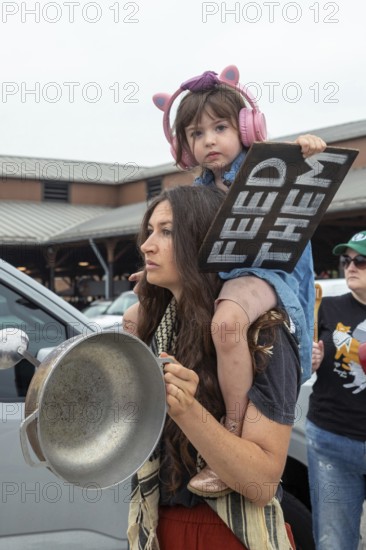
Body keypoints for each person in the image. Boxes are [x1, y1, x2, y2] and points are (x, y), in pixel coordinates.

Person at [128, 64, 326, 496]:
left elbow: (304, 175)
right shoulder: (198, 190)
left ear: (247, 127)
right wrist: (151, 270)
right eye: (196, 134)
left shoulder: (269, 168)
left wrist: (304, 152)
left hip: (266, 273)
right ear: (184, 145)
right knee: (132, 314)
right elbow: (191, 247)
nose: (208, 141)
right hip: (223, 275)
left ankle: (232, 429)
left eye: (220, 127)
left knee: (227, 323)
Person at [125, 185, 300, 550]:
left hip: (230, 532)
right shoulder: (155, 327)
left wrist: (189, 411)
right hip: (158, 526)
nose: (147, 245)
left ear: (207, 241)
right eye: (150, 230)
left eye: (167, 231)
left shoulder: (259, 332)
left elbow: (262, 482)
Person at [306, 230, 366, 550]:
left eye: (362, 260)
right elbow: (302, 361)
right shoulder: (325, 307)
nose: (351, 266)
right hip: (332, 442)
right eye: (346, 260)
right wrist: (310, 361)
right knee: (334, 543)